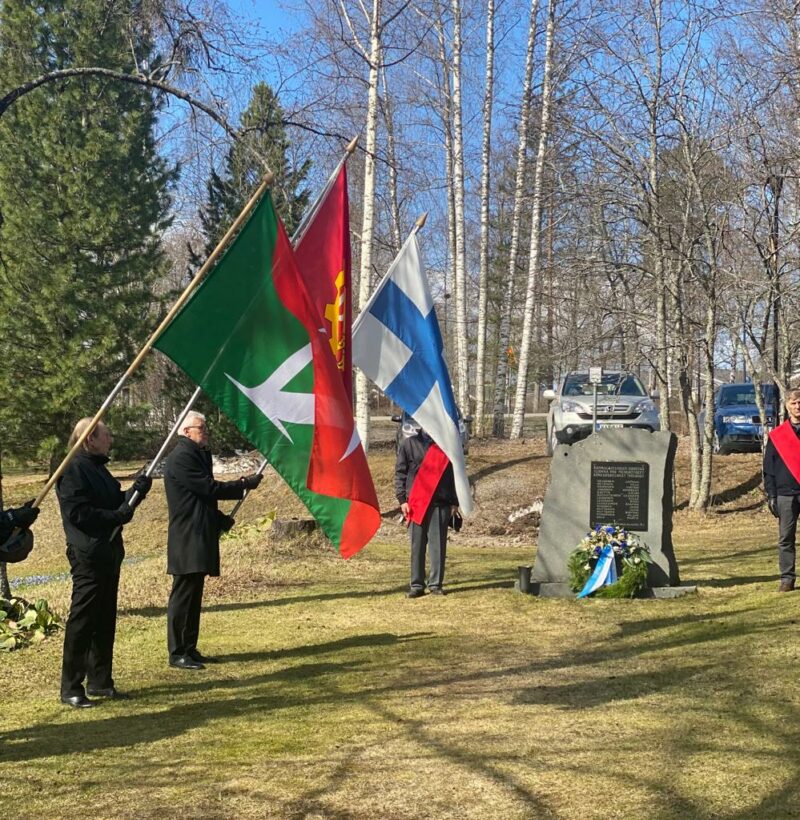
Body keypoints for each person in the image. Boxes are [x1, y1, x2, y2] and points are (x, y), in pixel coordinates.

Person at [57, 418, 152, 708]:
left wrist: (136, 493)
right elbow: (80, 514)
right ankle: (71, 686)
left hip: (109, 552)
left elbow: (117, 503)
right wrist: (117, 515)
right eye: (105, 435)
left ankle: (100, 680)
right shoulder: (72, 470)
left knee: (105, 617)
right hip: (88, 555)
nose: (110, 439)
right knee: (83, 620)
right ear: (89, 440)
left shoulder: (99, 468)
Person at [163, 411, 262, 669]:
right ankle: (177, 652)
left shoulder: (197, 454)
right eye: (201, 427)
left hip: (199, 530)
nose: (205, 431)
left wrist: (218, 519)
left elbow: (199, 499)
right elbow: (207, 488)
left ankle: (189, 646)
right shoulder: (182, 457)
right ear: (186, 432)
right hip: (187, 535)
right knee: (183, 593)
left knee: (194, 593)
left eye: (205, 427)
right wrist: (243, 484)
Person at [394, 423, 459, 598]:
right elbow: (400, 473)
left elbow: (455, 475)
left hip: (441, 502)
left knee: (438, 547)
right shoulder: (409, 444)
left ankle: (436, 584)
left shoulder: (446, 445)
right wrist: (402, 500)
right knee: (417, 546)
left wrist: (455, 501)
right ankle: (416, 585)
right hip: (416, 503)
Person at [763, 388, 800, 592]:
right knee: (786, 538)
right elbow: (768, 469)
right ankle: (787, 578)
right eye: (793, 403)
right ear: (787, 406)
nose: (797, 407)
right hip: (785, 493)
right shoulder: (777, 436)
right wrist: (771, 495)